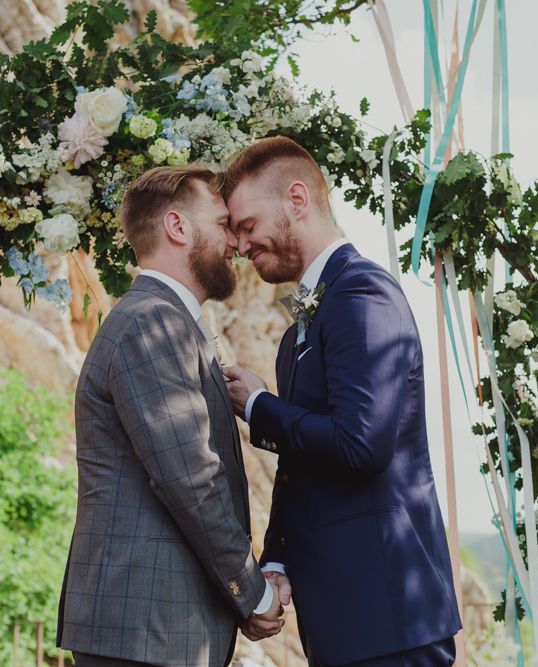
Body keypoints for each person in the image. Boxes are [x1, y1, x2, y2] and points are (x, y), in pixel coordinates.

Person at [222, 136, 462, 667]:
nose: (240, 246)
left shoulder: (362, 293)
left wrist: (259, 406)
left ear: (297, 200)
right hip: (340, 617)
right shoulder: (296, 334)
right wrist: (279, 558)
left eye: (246, 225)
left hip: (387, 613)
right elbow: (301, 462)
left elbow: (361, 444)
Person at [56, 165, 289, 667]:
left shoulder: (165, 319)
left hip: (157, 632)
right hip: (144, 633)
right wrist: (251, 592)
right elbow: (193, 480)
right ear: (178, 227)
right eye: (223, 222)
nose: (236, 241)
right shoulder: (152, 322)